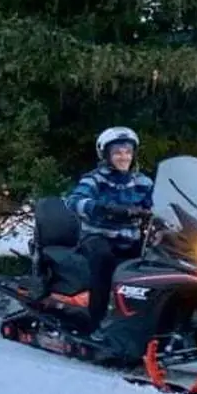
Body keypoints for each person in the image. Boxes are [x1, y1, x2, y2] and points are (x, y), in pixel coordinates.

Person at [64, 126, 154, 336]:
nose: (123, 157)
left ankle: (145, 322)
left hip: (131, 239)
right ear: (107, 155)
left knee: (155, 263)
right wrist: (99, 207)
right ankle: (96, 323)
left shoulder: (143, 182)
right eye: (117, 152)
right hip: (97, 237)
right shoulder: (95, 179)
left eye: (127, 152)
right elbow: (73, 201)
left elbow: (159, 205)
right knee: (104, 260)